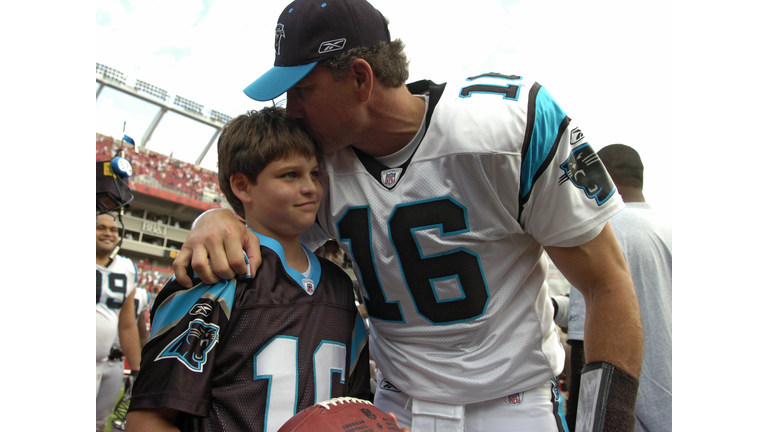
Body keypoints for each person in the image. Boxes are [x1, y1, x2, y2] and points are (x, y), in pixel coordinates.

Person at [173, 1, 643, 430]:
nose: (290, 111)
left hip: (512, 405)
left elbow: (606, 283)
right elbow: (266, 231)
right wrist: (214, 219)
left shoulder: (506, 126)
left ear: (360, 79)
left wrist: (608, 424)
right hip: (392, 409)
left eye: (302, 90)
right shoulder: (320, 166)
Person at [126, 107, 385, 432]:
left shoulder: (339, 285)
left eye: (314, 173)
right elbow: (148, 419)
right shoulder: (216, 274)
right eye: (290, 175)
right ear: (243, 186)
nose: (310, 187)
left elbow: (356, 410)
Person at [566, 144, 672, 432]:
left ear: (602, 175)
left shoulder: (601, 231)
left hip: (632, 417)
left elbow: (585, 351)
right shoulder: (668, 229)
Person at [96, 213, 142, 432]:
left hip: (104, 362)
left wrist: (137, 369)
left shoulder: (127, 268)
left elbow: (127, 325)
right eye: (100, 228)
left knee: (98, 424)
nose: (108, 233)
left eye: (113, 229)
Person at [108, 287, 152, 431]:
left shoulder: (141, 294)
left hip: (117, 360)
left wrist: (144, 365)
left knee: (100, 420)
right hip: (101, 353)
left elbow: (141, 332)